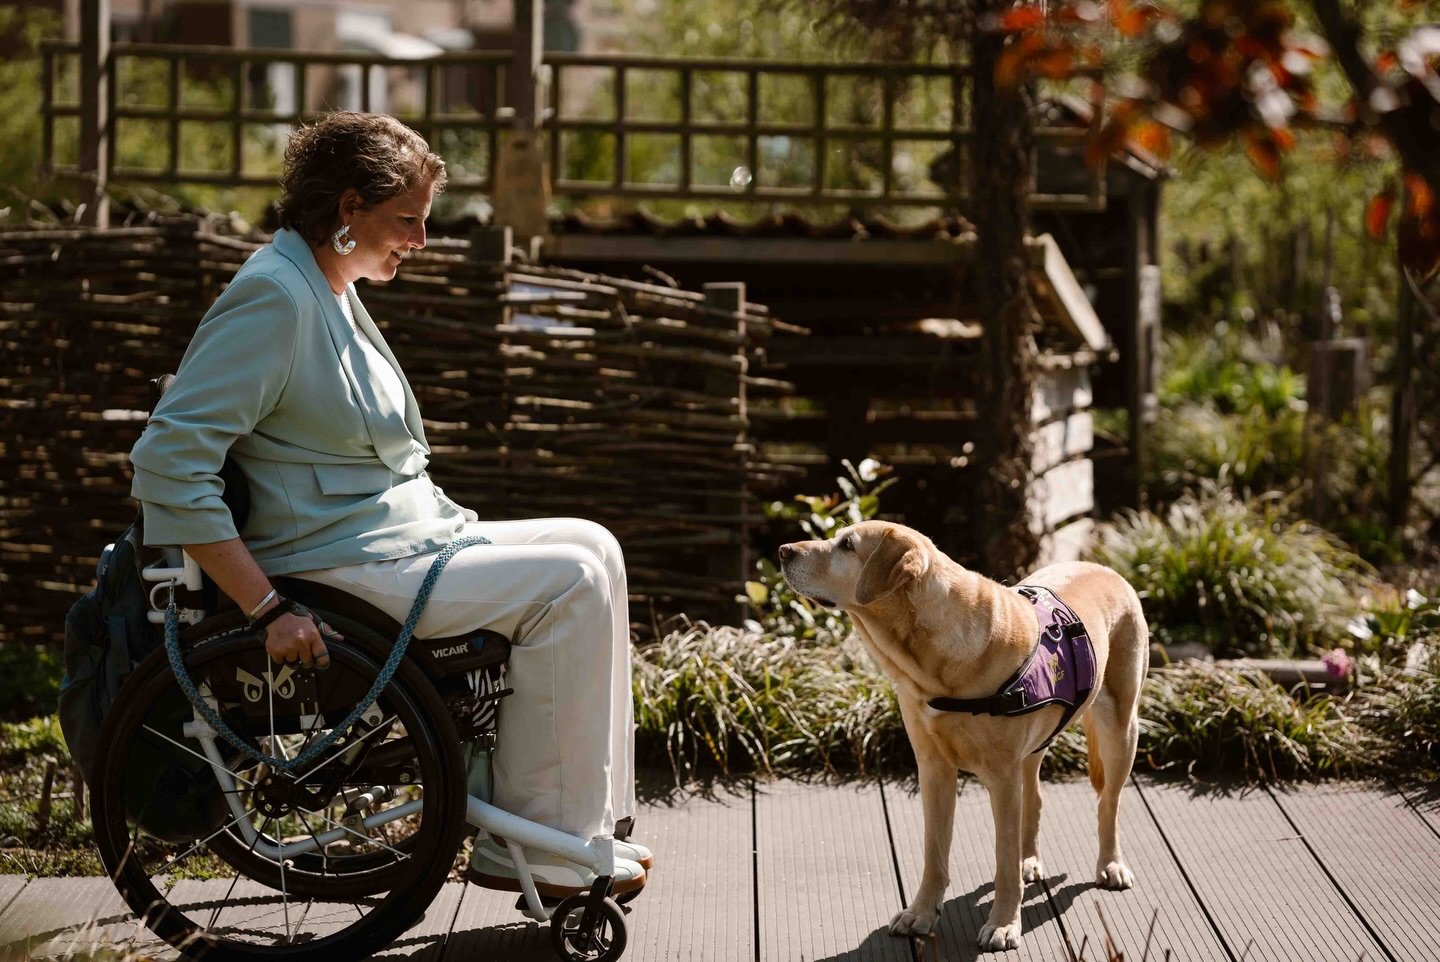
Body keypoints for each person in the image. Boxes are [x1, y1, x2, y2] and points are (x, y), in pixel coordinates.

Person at [128, 111, 649, 898]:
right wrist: (266, 609)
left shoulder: (323, 285)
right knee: (568, 583)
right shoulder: (276, 296)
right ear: (348, 209)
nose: (422, 239)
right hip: (337, 563)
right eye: (407, 220)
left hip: (392, 540)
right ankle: (538, 849)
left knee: (595, 545)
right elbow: (169, 463)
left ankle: (580, 825)